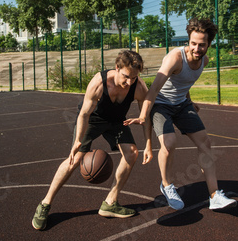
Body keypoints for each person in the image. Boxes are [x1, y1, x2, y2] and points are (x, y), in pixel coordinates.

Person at [32, 50, 153, 231]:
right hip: (94, 118)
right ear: (117, 68)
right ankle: (45, 204)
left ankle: (110, 202)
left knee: (132, 153)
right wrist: (78, 141)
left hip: (116, 120)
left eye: (134, 78)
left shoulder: (138, 87)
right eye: (127, 77)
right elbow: (84, 114)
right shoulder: (99, 83)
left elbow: (146, 117)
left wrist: (149, 144)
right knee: (75, 158)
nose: (130, 82)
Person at [124, 18, 236, 211]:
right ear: (189, 41)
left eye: (202, 45)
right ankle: (166, 185)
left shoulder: (204, 61)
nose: (196, 48)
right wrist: (143, 115)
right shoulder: (175, 58)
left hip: (182, 104)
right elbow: (154, 89)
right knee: (169, 144)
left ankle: (215, 195)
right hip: (161, 104)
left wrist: (189, 101)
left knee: (205, 143)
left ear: (209, 44)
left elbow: (185, 83)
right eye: (193, 43)